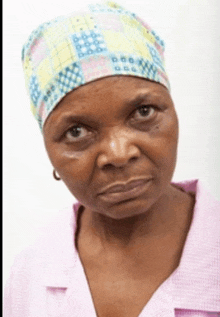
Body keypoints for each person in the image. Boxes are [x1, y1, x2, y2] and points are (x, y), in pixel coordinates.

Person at [4, 2, 220, 316]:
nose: (118, 154)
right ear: (48, 149)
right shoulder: (31, 276)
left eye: (143, 113)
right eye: (76, 131)